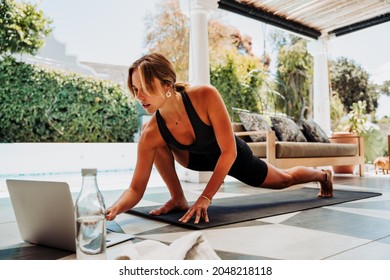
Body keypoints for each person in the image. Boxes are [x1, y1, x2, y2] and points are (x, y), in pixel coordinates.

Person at [106, 53, 333, 224]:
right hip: (197, 159)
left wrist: (206, 197)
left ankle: (322, 175)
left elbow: (229, 151)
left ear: (167, 86)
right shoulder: (151, 132)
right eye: (135, 89)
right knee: (156, 142)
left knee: (284, 180)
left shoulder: (205, 96)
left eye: (145, 87)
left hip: (232, 155)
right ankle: (178, 198)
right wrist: (113, 209)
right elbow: (135, 190)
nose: (139, 96)